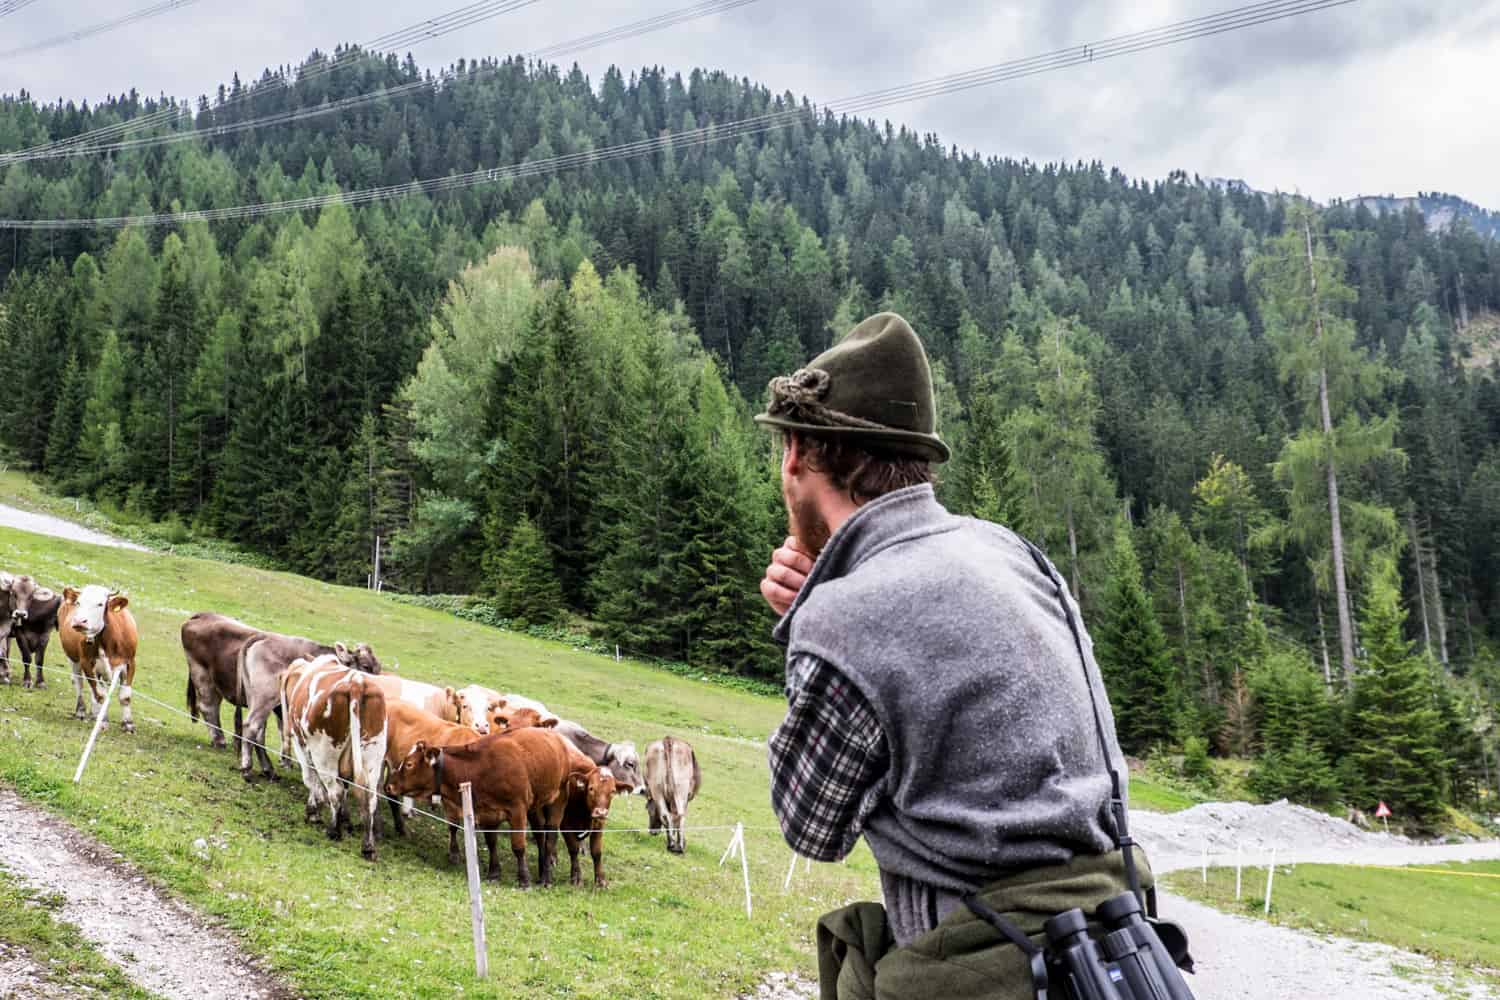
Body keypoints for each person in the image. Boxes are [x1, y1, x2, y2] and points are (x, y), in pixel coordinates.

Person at [755, 312, 1153, 999]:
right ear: (917, 459)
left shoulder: (841, 618)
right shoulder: (1012, 552)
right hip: (1116, 950)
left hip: (982, 965)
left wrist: (809, 628)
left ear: (797, 453)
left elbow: (810, 825)